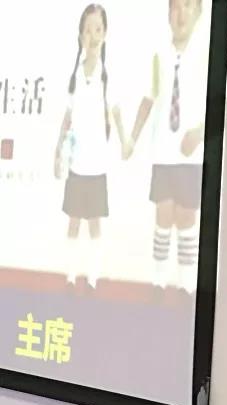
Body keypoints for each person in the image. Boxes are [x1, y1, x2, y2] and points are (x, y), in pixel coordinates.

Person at [125, 0, 208, 293]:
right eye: (175, 7)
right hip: (163, 149)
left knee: (186, 218)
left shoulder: (207, 55)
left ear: (198, 12)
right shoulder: (159, 55)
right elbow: (149, 98)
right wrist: (132, 138)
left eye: (188, 6)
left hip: (191, 155)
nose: (181, 13)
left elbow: (221, 103)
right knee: (163, 215)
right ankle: (158, 282)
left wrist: (200, 133)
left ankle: (187, 285)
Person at [54, 3, 128, 288]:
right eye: (87, 30)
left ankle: (93, 279)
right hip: (76, 163)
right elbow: (67, 116)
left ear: (105, 33)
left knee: (95, 223)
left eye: (98, 29)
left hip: (98, 165)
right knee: (73, 221)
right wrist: (57, 150)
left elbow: (117, 113)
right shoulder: (74, 76)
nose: (93, 35)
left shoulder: (108, 76)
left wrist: (125, 140)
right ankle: (70, 277)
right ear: (80, 36)